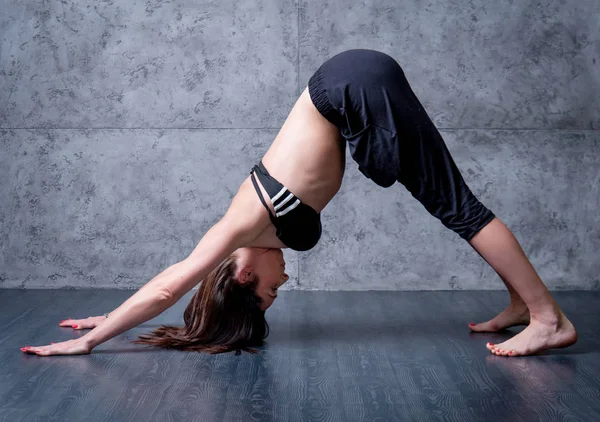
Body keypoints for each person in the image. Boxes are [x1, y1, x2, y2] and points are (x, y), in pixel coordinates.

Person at [20, 49, 577, 357]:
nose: (280, 287)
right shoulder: (251, 234)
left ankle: (548, 318)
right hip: (347, 88)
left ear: (241, 278)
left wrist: (93, 340)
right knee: (452, 205)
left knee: (459, 209)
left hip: (349, 85)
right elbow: (167, 284)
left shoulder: (242, 226)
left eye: (267, 295)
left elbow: (171, 284)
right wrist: (113, 314)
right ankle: (522, 305)